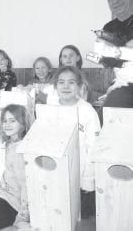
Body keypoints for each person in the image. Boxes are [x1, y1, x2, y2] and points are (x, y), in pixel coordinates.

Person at [52, 66, 101, 219]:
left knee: (79, 216)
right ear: (55, 86)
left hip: (80, 177)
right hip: (56, 174)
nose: (66, 86)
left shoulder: (88, 112)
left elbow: (94, 147)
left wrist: (87, 181)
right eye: (61, 82)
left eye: (71, 82)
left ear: (80, 86)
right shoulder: (50, 109)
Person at [100, 0, 133, 107]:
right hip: (125, 85)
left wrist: (119, 52)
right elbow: (108, 61)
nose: (115, 1)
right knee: (109, 113)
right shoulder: (108, 29)